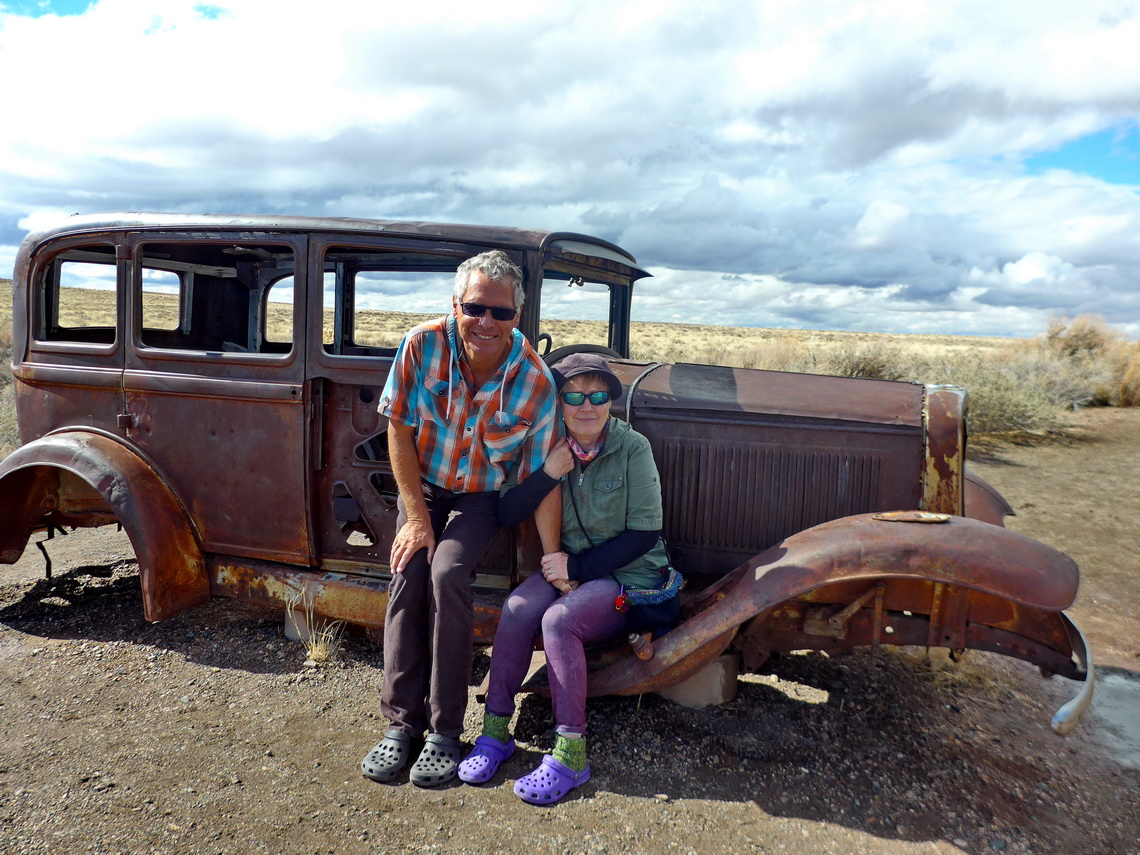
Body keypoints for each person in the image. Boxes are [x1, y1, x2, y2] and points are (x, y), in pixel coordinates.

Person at [361, 250, 560, 788]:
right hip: (423, 485)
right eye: (476, 308)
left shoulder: (536, 383)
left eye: (502, 312)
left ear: (519, 315)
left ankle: (444, 730)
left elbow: (541, 476)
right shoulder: (421, 345)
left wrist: (553, 555)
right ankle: (402, 724)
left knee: (448, 573)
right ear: (456, 305)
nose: (487, 322)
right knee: (410, 568)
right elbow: (398, 430)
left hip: (479, 496)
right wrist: (416, 518)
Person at [457, 353, 682, 805]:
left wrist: (573, 572)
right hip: (568, 567)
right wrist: (547, 473)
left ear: (610, 403)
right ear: (558, 402)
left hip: (625, 579)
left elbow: (645, 534)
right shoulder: (547, 446)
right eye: (574, 395)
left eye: (598, 395)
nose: (587, 406)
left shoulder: (632, 448)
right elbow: (505, 511)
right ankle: (495, 732)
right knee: (519, 609)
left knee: (560, 620)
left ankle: (570, 754)